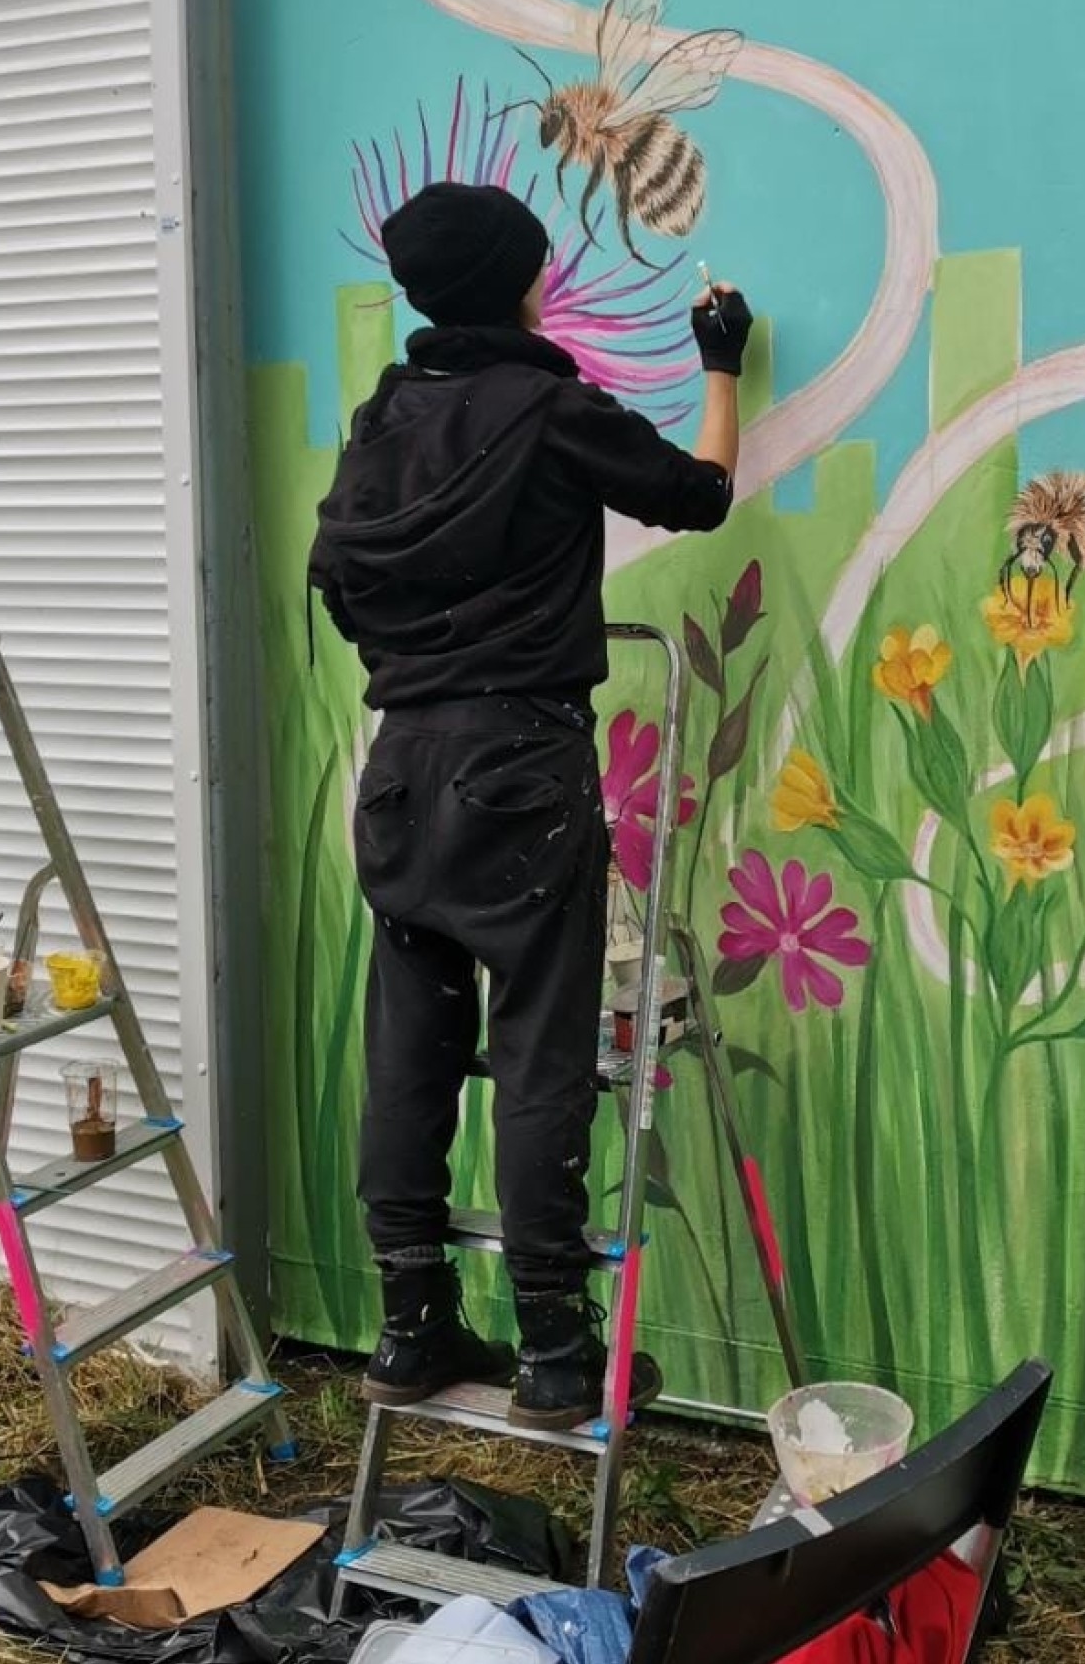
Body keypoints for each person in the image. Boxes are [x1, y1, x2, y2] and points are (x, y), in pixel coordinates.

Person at [309, 180, 751, 1430]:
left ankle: (410, 1325)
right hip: (520, 768)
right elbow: (699, 491)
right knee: (544, 1051)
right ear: (519, 282)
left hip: (401, 768)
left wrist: (423, 661)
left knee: (410, 1048)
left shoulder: (381, 418)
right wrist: (717, 363)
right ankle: (556, 1344)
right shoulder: (552, 411)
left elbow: (335, 575)